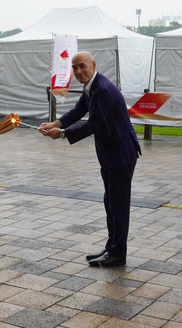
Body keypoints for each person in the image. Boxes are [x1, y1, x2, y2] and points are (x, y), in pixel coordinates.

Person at [39, 51, 141, 267]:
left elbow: (92, 125)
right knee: (110, 202)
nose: (78, 72)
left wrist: (63, 134)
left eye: (82, 66)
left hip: (121, 155)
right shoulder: (92, 87)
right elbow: (78, 111)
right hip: (111, 155)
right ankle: (112, 246)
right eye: (74, 68)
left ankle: (117, 254)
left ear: (93, 65)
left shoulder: (102, 89)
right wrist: (55, 124)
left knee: (119, 205)